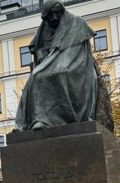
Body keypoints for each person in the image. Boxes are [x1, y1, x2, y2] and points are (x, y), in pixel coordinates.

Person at [15, 0, 112, 131]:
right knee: (36, 77)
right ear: (46, 17)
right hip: (49, 63)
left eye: (57, 14)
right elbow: (37, 46)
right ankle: (39, 120)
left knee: (61, 73)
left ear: (62, 12)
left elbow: (82, 52)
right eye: (50, 15)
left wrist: (62, 62)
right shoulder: (45, 28)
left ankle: (63, 118)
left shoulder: (77, 23)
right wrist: (41, 53)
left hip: (76, 63)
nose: (54, 18)